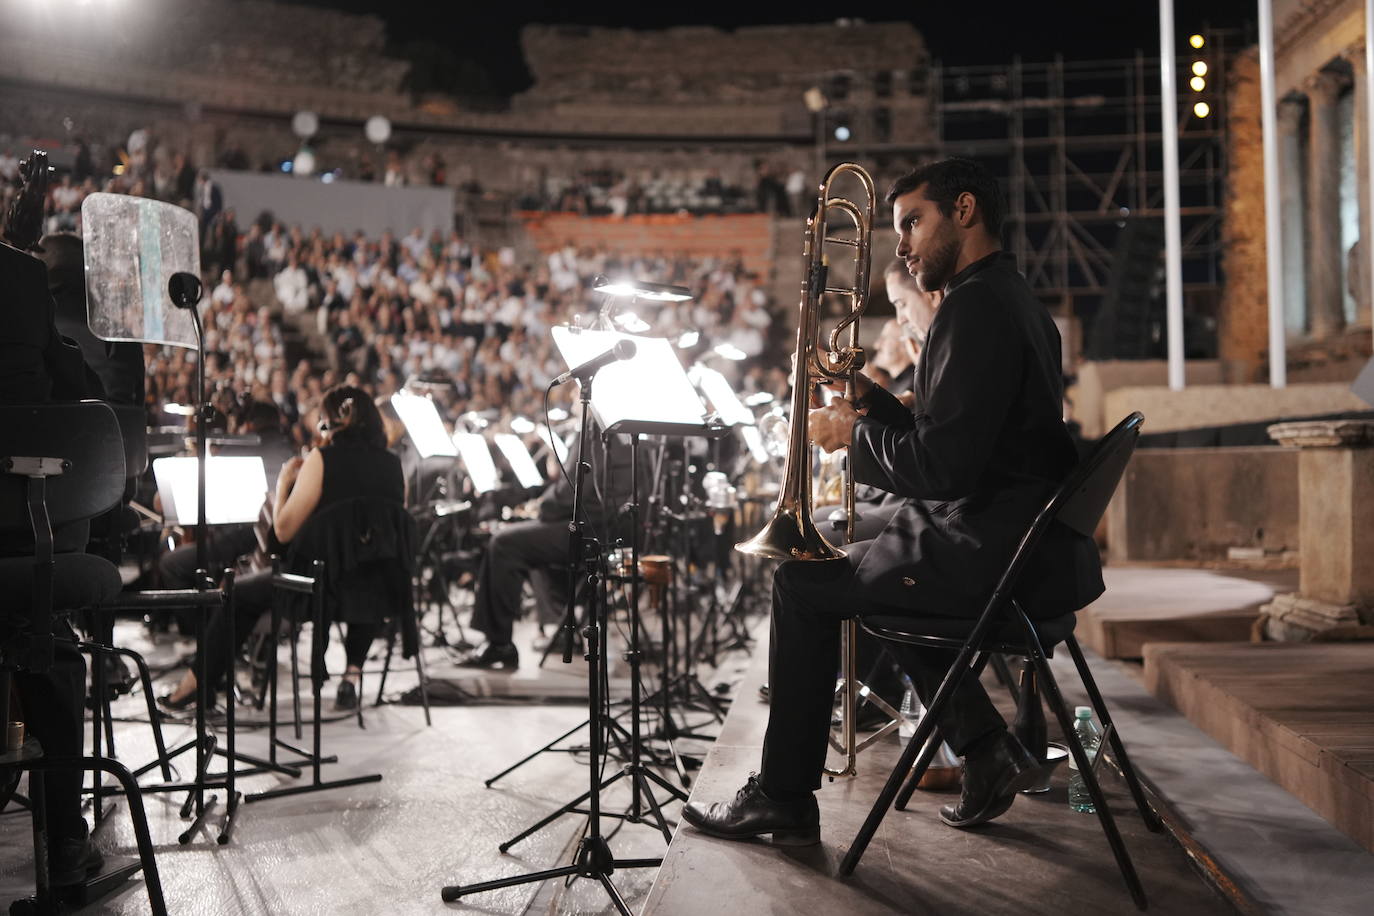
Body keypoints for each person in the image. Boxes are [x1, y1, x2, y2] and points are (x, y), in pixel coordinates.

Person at [683, 158, 1104, 844]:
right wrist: (872, 400)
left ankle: (785, 795)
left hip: (989, 551)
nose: (901, 244)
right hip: (1011, 538)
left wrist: (852, 435)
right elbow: (948, 439)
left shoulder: (976, 309)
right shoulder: (1003, 296)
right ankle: (980, 746)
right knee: (852, 559)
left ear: (964, 210)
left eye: (913, 222)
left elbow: (939, 467)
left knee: (802, 583)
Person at [159, 386, 405, 711]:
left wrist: (283, 484)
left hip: (316, 591)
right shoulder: (393, 464)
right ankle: (352, 675)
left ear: (328, 423)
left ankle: (197, 684)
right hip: (377, 592)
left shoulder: (322, 459)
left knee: (238, 591)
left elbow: (284, 530)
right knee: (359, 572)